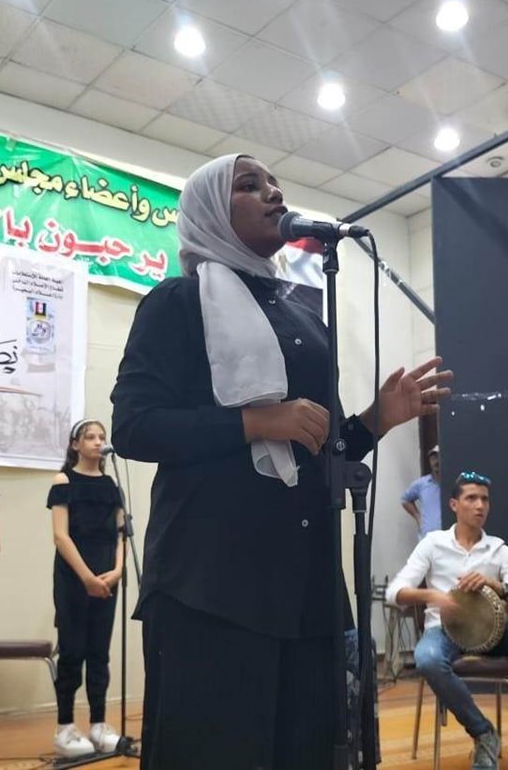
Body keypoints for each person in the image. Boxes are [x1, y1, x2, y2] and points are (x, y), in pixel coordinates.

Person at [111, 153, 451, 769]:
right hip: (210, 584)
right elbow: (134, 427)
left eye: (274, 183)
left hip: (305, 586)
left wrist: (377, 419)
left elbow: (322, 449)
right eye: (249, 185)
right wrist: (253, 421)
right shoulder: (177, 303)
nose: (273, 192)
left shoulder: (304, 319)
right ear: (210, 213)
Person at [387, 471, 508, 770]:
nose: (480, 505)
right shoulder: (433, 543)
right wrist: (433, 596)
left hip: (496, 632)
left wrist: (499, 586)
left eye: (485, 499)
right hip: (445, 631)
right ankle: (483, 733)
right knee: (427, 658)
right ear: (454, 504)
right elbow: (394, 592)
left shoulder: (499, 549)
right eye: (471, 498)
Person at [47, 419, 124, 758]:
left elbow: (121, 534)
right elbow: (60, 536)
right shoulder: (64, 481)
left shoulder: (111, 485)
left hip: (107, 576)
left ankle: (98, 724)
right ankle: (65, 727)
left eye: (101, 436)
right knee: (72, 651)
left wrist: (117, 570)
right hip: (73, 578)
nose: (97, 441)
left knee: (99, 652)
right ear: (75, 444)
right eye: (89, 437)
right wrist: (87, 578)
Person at [401, 446, 442, 538]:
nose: (436, 461)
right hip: (427, 536)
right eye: (433, 458)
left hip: (449, 537)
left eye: (439, 457)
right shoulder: (421, 484)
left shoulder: (452, 483)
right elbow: (405, 500)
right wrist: (417, 517)